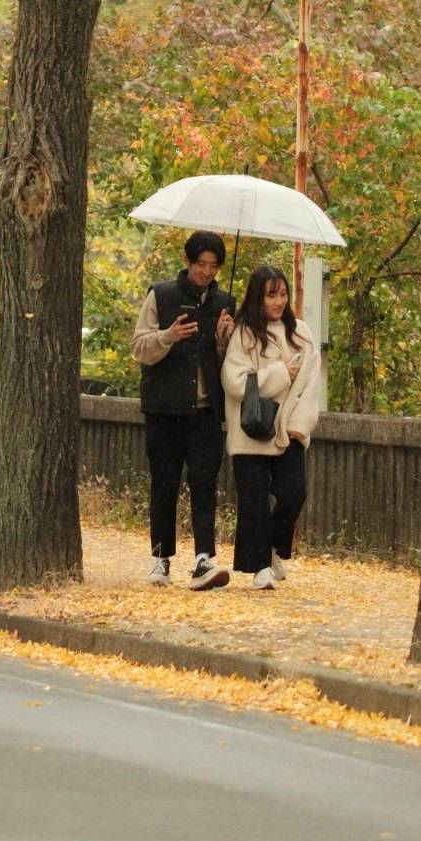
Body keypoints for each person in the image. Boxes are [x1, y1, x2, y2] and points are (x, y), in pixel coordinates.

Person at [130, 230, 235, 587]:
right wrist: (168, 336)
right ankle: (161, 557)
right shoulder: (162, 295)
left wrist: (224, 340)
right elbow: (139, 347)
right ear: (187, 262)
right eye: (201, 264)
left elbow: (230, 362)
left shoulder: (224, 302)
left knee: (205, 482)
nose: (207, 272)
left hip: (207, 410)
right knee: (165, 483)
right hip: (165, 408)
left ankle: (204, 558)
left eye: (213, 266)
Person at [221, 261, 321, 587]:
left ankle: (276, 547)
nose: (278, 301)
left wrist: (299, 425)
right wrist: (279, 374)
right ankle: (259, 566)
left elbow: (309, 385)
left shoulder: (301, 334)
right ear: (257, 298)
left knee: (294, 493)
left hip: (287, 428)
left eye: (282, 294)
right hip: (252, 426)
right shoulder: (244, 334)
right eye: (270, 295)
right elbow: (234, 381)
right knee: (254, 498)